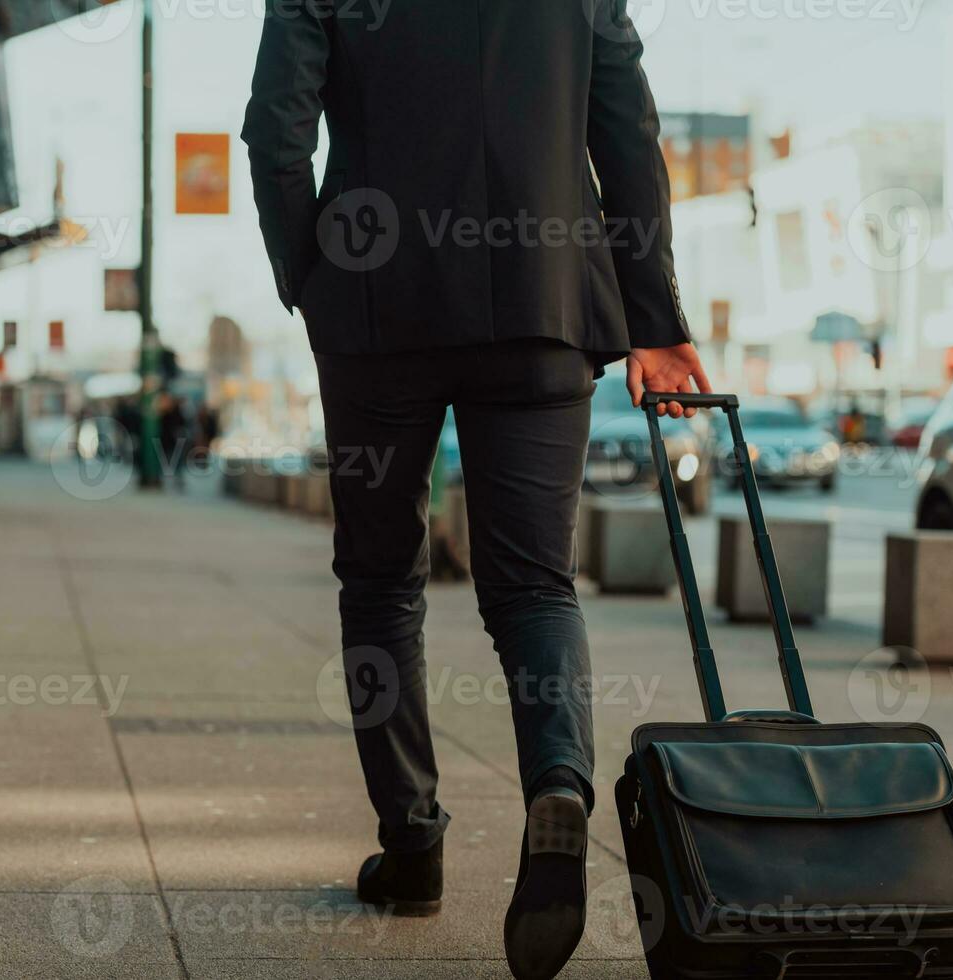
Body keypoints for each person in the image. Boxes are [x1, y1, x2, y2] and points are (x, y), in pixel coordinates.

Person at [243, 3, 710, 977]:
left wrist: (310, 274)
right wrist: (655, 317)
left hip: (374, 304)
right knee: (535, 585)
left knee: (378, 580)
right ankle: (559, 784)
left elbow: (274, 127)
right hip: (542, 301)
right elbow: (627, 131)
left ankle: (412, 845)